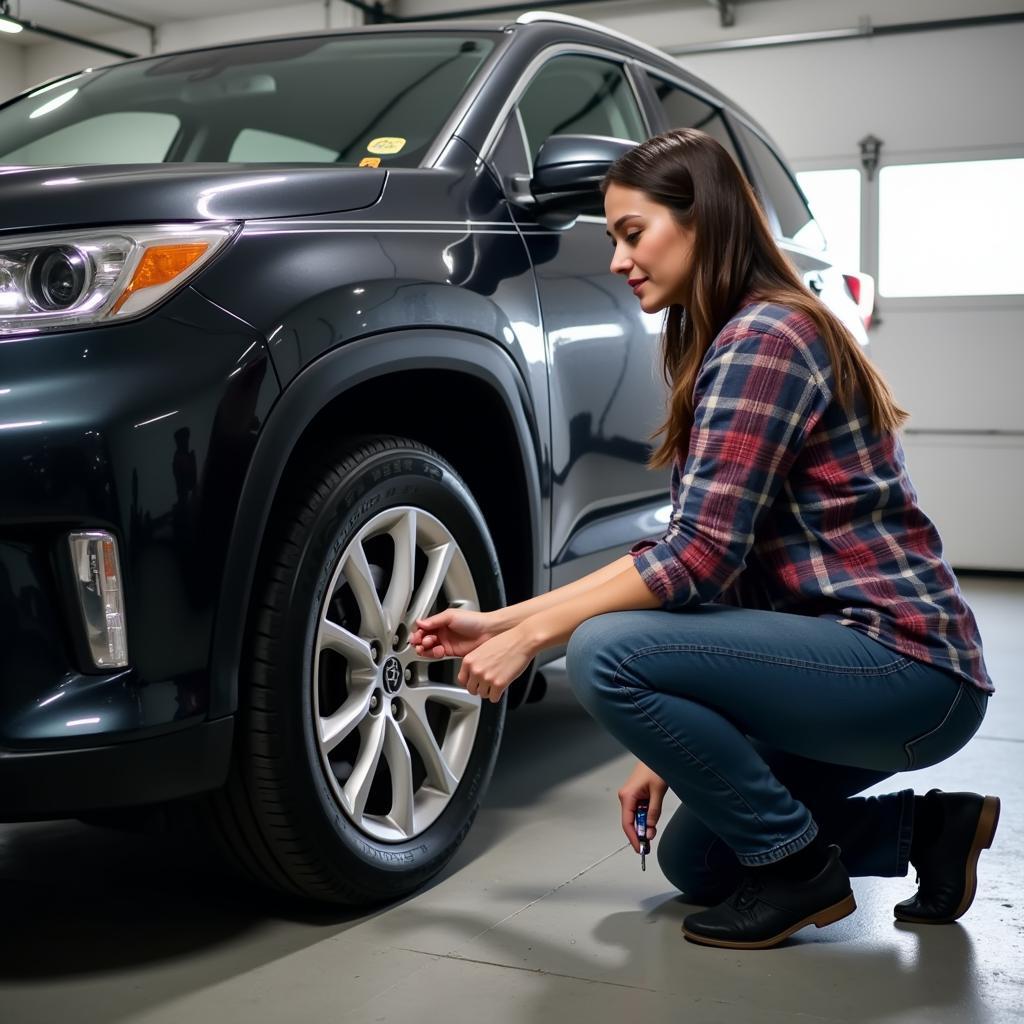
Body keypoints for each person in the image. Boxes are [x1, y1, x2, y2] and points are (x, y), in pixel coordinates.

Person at [410, 128, 998, 951]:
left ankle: (800, 878)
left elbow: (696, 557)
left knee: (604, 650)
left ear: (704, 222)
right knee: (702, 857)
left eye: (631, 232)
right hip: (857, 665)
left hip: (904, 665)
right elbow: (720, 572)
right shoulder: (736, 338)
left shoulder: (767, 339)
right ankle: (928, 834)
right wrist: (665, 739)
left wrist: (536, 635)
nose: (618, 259)